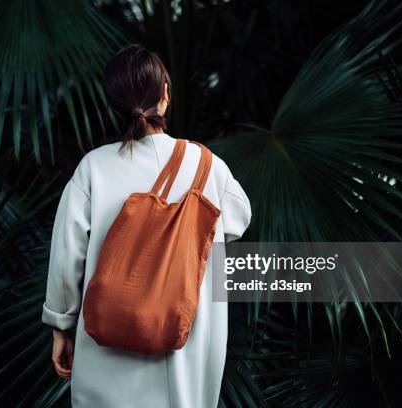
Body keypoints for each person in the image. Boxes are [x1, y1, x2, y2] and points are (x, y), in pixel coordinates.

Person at [42, 44, 252, 408]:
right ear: (165, 96)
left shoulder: (93, 168)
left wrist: (61, 325)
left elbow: (66, 257)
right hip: (184, 350)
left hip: (108, 349)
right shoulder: (208, 166)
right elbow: (237, 219)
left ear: (115, 105)